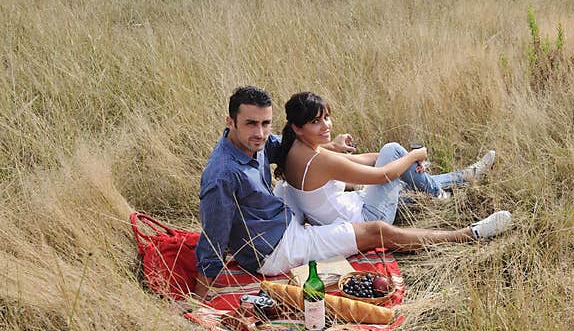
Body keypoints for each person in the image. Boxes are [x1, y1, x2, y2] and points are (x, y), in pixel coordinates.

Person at [194, 86, 512, 301]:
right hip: (276, 247)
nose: (261, 133)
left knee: (386, 184)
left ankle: (457, 180)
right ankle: (468, 234)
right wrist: (198, 301)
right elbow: (212, 240)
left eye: (266, 123)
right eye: (251, 124)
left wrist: (330, 147)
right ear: (230, 122)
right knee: (376, 231)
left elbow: (287, 145)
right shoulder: (222, 175)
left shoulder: (260, 144)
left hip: (281, 212)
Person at [273, 91, 497, 226]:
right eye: (316, 122)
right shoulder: (319, 160)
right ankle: (441, 196)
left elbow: (361, 160)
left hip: (350, 210)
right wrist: (413, 156)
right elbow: (383, 176)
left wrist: (403, 160)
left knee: (398, 165)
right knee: (393, 151)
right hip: (367, 219)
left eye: (327, 117)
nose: (326, 126)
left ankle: (466, 175)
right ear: (298, 127)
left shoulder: (295, 148)